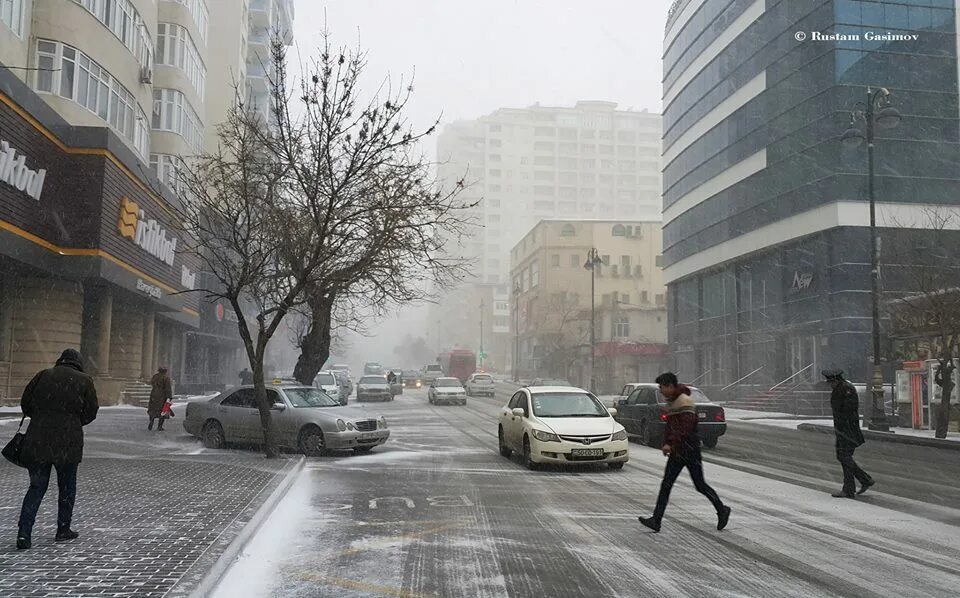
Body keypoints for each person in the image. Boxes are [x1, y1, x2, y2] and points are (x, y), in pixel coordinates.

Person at [17, 349, 99, 550]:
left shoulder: (43, 375)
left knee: (36, 487)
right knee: (67, 488)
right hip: (68, 443)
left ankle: (24, 533)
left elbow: (26, 403)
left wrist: (41, 418)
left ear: (60, 360)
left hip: (38, 440)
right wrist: (73, 421)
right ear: (78, 363)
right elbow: (91, 411)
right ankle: (63, 529)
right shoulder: (84, 380)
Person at [638, 372, 730, 533]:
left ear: (670, 386)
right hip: (678, 450)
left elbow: (685, 429)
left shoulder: (684, 402)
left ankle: (722, 509)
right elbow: (671, 426)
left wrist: (671, 443)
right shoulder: (673, 401)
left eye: (662, 387)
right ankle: (656, 520)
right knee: (666, 485)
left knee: (699, 485)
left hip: (689, 450)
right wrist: (667, 442)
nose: (660, 390)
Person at [823, 369, 874, 498]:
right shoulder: (841, 388)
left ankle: (850, 488)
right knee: (843, 457)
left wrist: (844, 426)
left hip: (848, 429)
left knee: (844, 457)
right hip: (843, 429)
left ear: (835, 380)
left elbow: (847, 410)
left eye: (830, 382)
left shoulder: (845, 389)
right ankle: (864, 480)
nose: (829, 385)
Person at [148, 366, 173, 431]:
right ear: (165, 371)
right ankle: (159, 426)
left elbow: (151, 383)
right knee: (163, 411)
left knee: (153, 410)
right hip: (162, 396)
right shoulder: (166, 378)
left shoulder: (155, 376)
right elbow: (168, 388)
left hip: (153, 394)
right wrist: (169, 397)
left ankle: (151, 421)